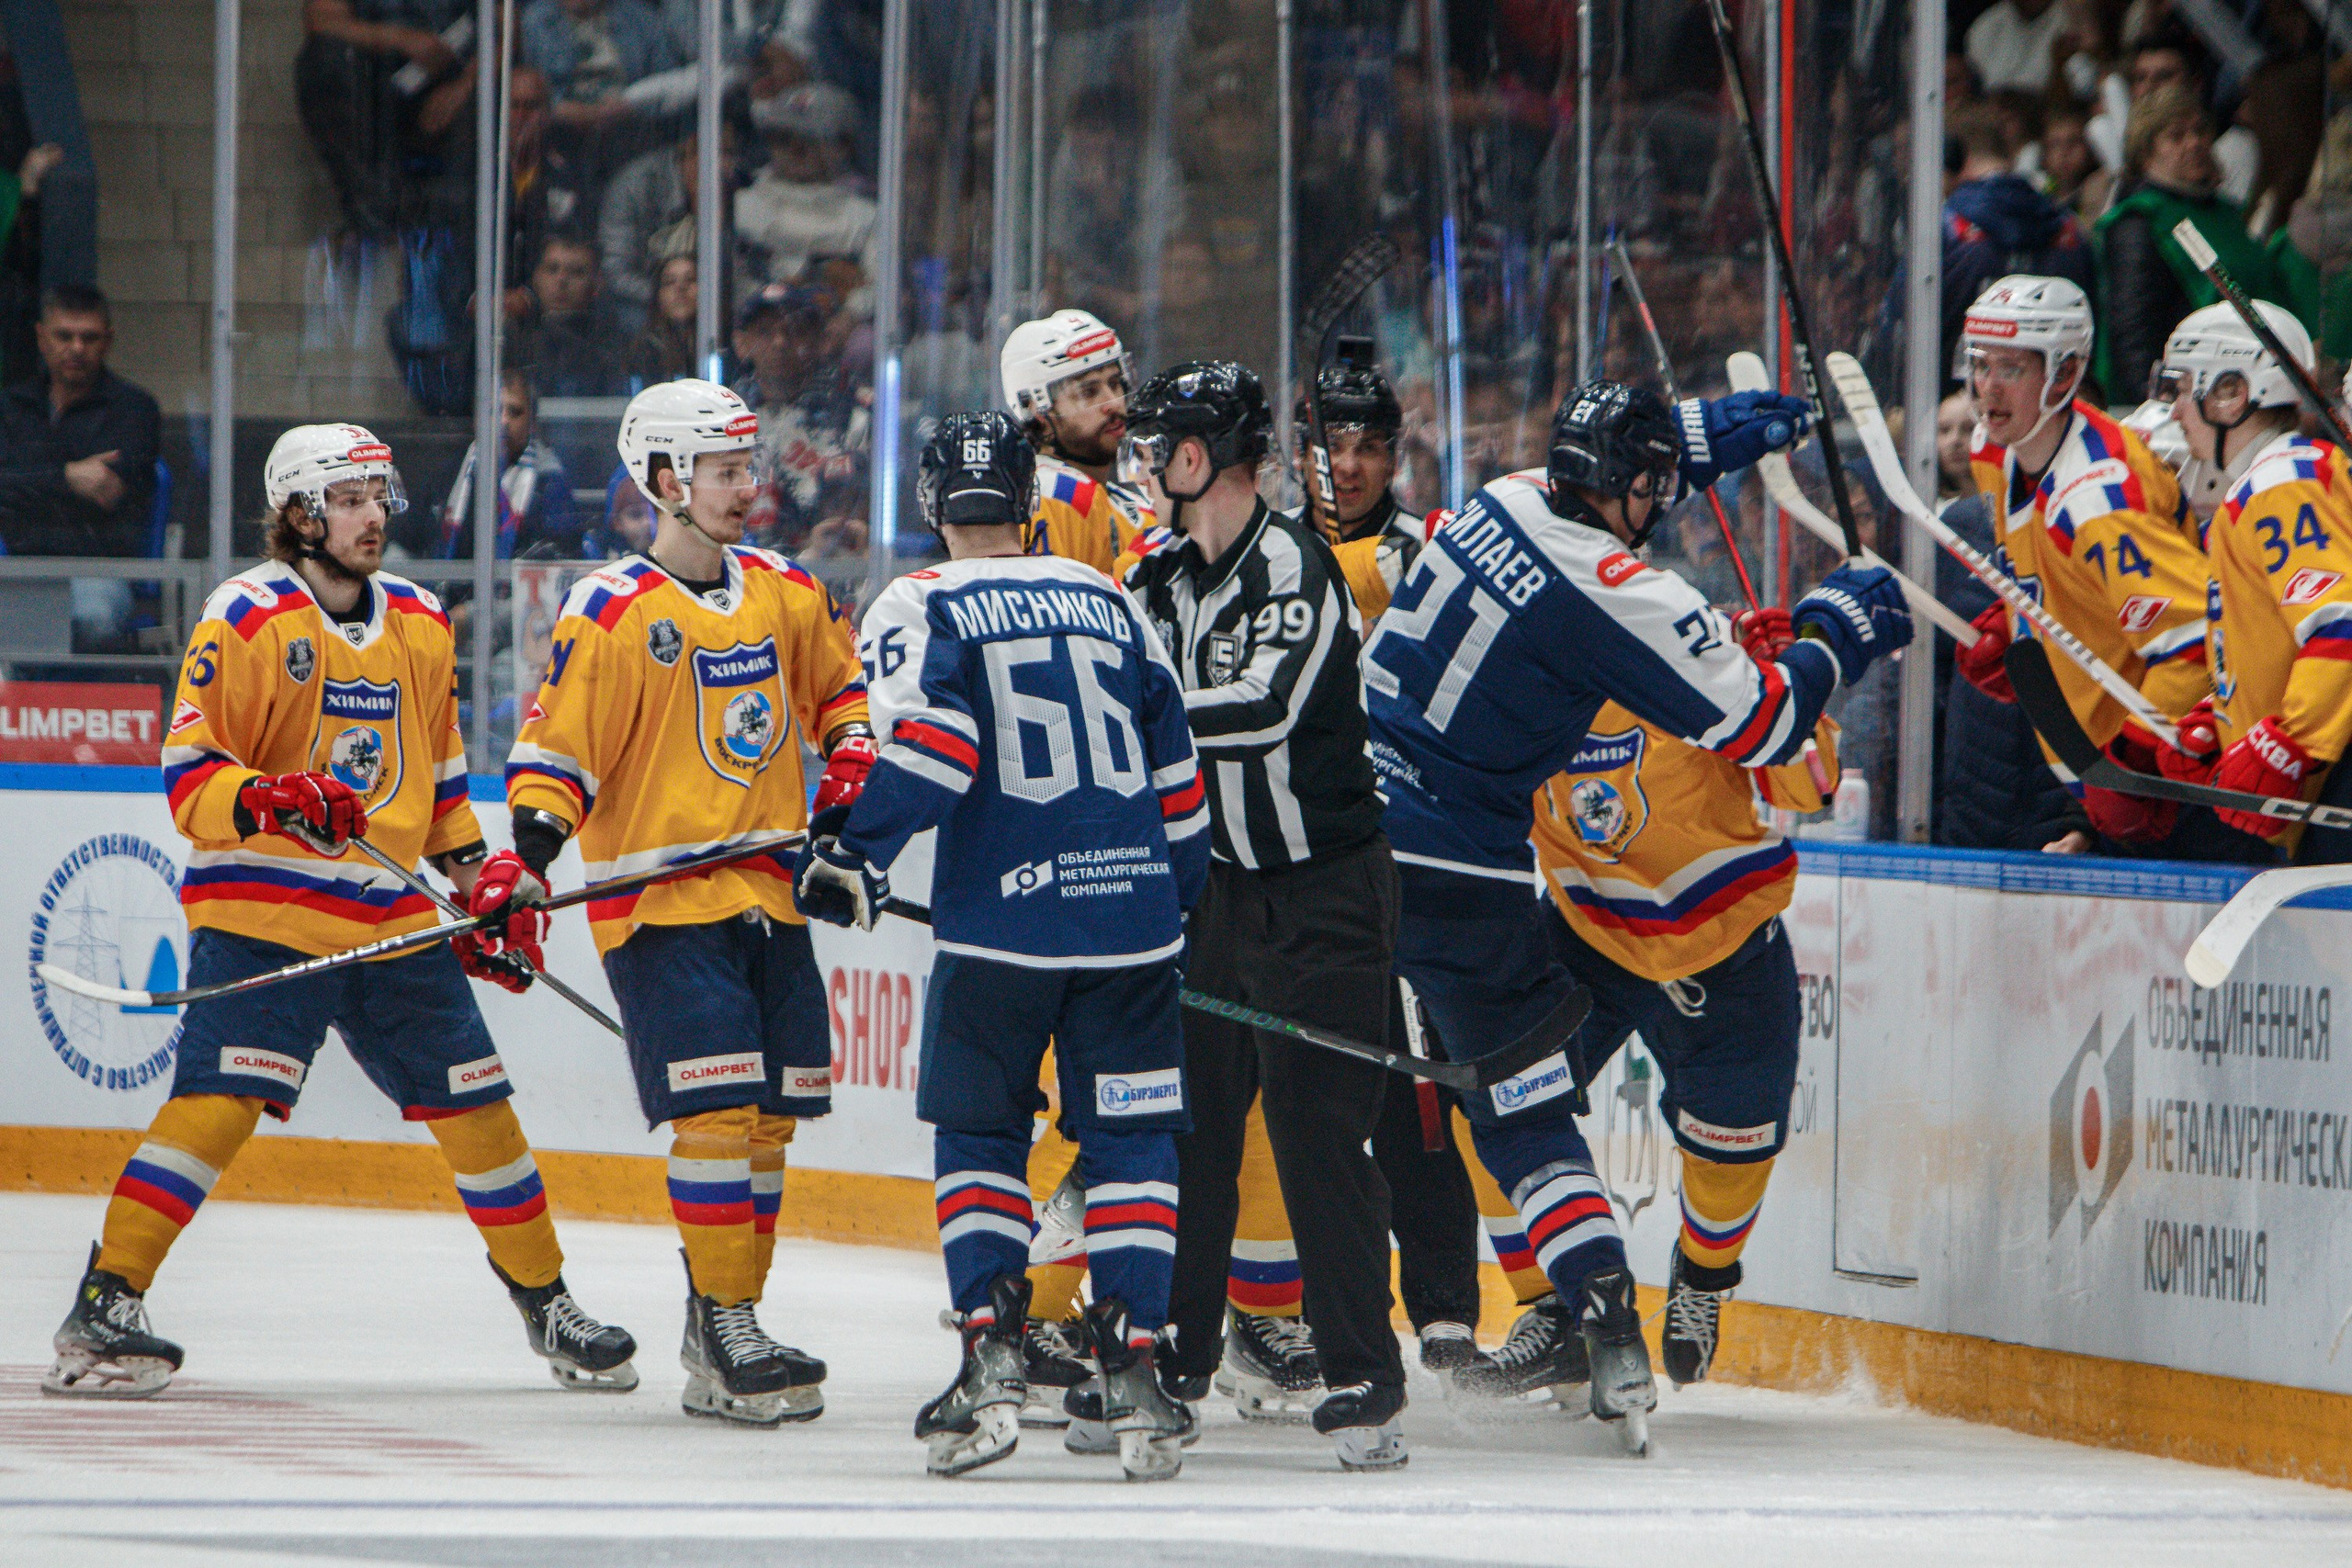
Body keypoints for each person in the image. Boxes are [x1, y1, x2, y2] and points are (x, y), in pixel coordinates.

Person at [1364, 378, 1908, 1446]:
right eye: (1657, 486)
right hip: (1515, 891)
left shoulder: (1502, 499)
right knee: (1514, 1104)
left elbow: (1792, 769)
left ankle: (1687, 1277)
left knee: (1719, 1137)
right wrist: (1833, 633)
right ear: (1640, 489)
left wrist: (1694, 437)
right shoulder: (1635, 608)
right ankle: (1581, 1311)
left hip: (1361, 825)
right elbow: (1767, 721)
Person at [45, 423, 638, 1399]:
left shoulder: (416, 615)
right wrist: (273, 797)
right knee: (221, 1102)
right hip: (266, 910)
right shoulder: (247, 614)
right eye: (352, 498)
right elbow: (191, 779)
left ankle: (550, 1307)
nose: (375, 515)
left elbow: (440, 780)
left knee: (478, 1107)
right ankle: (107, 1299)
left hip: (392, 917)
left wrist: (484, 889)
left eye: (379, 495)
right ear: (300, 512)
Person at [794, 410, 1209, 1480]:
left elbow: (937, 745)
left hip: (1004, 933)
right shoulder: (1106, 595)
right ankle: (1137, 1364)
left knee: (982, 1136)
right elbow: (1179, 775)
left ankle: (989, 1356)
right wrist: (1173, 902)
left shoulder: (919, 600)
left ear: (934, 504)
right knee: (1131, 1145)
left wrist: (857, 857)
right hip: (1131, 925)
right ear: (1026, 503)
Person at [487, 378, 873, 1426]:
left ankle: (721, 1325)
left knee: (769, 1124)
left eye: (748, 468)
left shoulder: (787, 591)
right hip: (657, 905)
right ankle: (729, 1319)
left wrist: (846, 766)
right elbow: (558, 757)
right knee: (715, 1109)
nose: (749, 488)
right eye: (725, 471)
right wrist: (525, 863)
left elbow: (842, 698)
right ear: (665, 479)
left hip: (767, 892)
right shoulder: (610, 610)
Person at [1118, 360, 1410, 1471]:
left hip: (1328, 888)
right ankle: (1180, 1359)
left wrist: (1126, 721)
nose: (1146, 466)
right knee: (1190, 1122)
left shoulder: (1296, 564)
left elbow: (1261, 710)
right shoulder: (1155, 578)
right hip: (1218, 892)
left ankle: (1362, 1377)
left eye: (1161, 446)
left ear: (1204, 455)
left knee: (1315, 1129)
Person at [1949, 276, 2234, 859]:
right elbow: (2064, 579)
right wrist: (2015, 623)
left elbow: (2194, 646)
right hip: (2089, 775)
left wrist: (2129, 764)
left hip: (2171, 786)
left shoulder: (2099, 503)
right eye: (1981, 365)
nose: (1987, 389)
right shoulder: (1995, 450)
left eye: (2012, 370)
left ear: (2065, 375)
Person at [2152, 303, 2352, 863]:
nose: (2174, 412)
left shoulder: (2282, 485)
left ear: (2232, 394)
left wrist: (2289, 745)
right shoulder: (2266, 487)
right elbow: (2274, 643)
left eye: (2185, 388)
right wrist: (2221, 717)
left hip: (2333, 783)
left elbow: (2340, 626)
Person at [2094, 84, 2289, 407]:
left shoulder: (2224, 213)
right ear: (2146, 152)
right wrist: (2155, 408)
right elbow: (2133, 334)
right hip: (2188, 398)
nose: (2195, 142)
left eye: (2200, 131)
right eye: (2176, 136)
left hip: (2254, 385)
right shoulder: (2137, 222)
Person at [1941, 104, 2095, 391]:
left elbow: (1901, 333)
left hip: (1955, 416)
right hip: (2055, 406)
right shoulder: (2069, 230)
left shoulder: (1945, 228)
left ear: (1952, 157)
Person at [0, 284, 161, 557]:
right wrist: (68, 476)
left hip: (97, 567)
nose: (76, 348)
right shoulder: (10, 406)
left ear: (107, 341)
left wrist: (27, 480)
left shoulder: (133, 409)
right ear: (41, 338)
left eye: (89, 338)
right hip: (16, 564)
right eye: (64, 336)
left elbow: (111, 494)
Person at [1000, 310, 1153, 577]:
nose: (1115, 403)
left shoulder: (1133, 503)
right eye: (1088, 392)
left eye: (1116, 383)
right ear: (1035, 410)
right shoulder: (1048, 496)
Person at [734, 82, 877, 299]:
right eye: (782, 138)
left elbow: (879, 292)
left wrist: (849, 313)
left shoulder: (865, 218)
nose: (794, 150)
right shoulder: (741, 207)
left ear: (843, 146)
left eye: (809, 140)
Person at [438, 369, 582, 558]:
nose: (504, 420)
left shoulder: (551, 483)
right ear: (476, 418)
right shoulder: (450, 475)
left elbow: (563, 555)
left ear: (532, 422)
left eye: (514, 412)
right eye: (493, 410)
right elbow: (407, 546)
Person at [509, 232, 630, 399]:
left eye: (576, 272)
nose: (562, 280)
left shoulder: (613, 346)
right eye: (552, 269)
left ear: (597, 283)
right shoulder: (512, 336)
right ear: (536, 277)